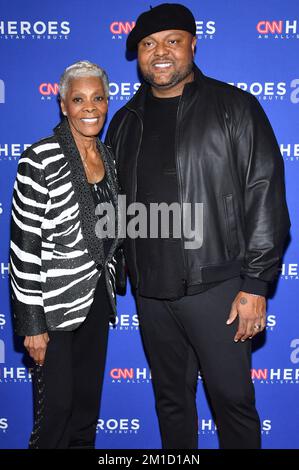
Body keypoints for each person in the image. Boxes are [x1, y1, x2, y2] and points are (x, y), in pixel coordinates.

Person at [105, 3, 290, 449]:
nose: (160, 52)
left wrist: (256, 283)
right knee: (171, 403)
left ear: (192, 43)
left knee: (233, 403)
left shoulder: (234, 106)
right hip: (152, 291)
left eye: (171, 40)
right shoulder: (125, 121)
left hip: (220, 289)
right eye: (148, 44)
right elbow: (111, 207)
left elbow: (264, 193)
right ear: (138, 56)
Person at [10, 60, 121, 449]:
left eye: (98, 98)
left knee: (86, 412)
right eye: (79, 99)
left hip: (95, 303)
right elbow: (24, 249)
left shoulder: (108, 157)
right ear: (63, 105)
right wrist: (31, 324)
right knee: (54, 416)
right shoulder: (40, 158)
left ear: (107, 102)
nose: (89, 107)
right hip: (54, 311)